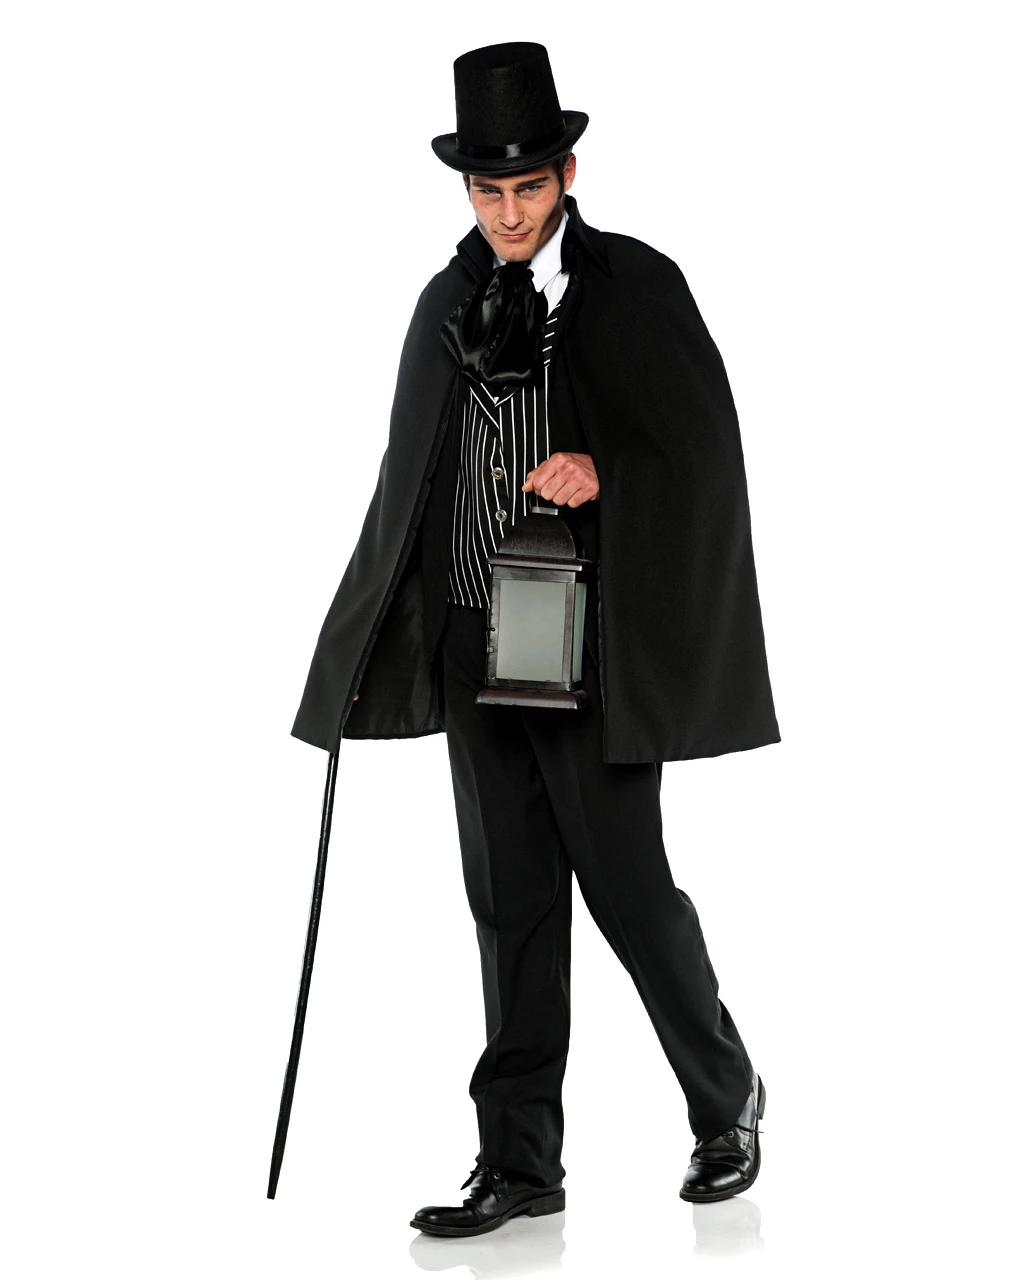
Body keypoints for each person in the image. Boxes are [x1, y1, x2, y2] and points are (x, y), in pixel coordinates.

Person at [290, 41, 780, 1238]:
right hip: (473, 639)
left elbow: (702, 456)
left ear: (567, 174)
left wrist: (605, 469)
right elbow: (404, 480)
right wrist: (360, 638)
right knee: (507, 904)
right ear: (466, 188)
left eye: (527, 186)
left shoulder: (634, 286)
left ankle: (725, 1097)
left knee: (626, 888)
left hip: (584, 643)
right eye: (486, 189)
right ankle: (517, 1162)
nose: (508, 212)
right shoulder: (443, 302)